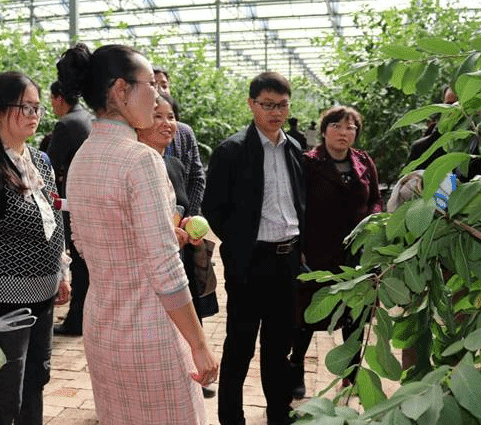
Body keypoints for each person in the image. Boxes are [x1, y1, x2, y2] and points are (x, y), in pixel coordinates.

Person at [57, 43, 218, 425]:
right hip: (151, 330)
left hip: (102, 327)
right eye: (150, 85)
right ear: (120, 90)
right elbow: (165, 268)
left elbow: (84, 245)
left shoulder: (82, 158)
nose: (158, 96)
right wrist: (199, 344)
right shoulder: (141, 159)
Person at [0, 71, 71, 425]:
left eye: (37, 107)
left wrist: (61, 272)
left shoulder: (40, 161)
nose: (34, 115)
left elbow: (54, 218)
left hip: (43, 296)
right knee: (6, 394)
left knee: (37, 379)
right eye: (25, 107)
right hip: (6, 305)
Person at [202, 71, 306, 425]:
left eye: (282, 105)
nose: (275, 112)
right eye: (267, 105)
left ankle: (278, 413)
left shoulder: (293, 148)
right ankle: (232, 418)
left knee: (279, 346)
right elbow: (214, 208)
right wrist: (240, 243)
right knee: (240, 345)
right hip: (251, 262)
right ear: (251, 104)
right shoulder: (232, 151)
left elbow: (300, 202)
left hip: (287, 260)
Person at [288, 106, 382, 398]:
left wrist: (372, 224)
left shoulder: (363, 161)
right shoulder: (308, 163)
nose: (344, 133)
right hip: (318, 250)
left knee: (355, 315)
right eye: (337, 126)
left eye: (351, 128)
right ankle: (296, 366)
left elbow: (376, 199)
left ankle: (350, 375)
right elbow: (296, 205)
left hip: (356, 253)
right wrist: (298, 247)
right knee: (307, 314)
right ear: (324, 129)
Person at [137, 92, 220, 398]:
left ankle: (194, 376)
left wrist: (186, 226)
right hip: (149, 273)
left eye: (171, 116)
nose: (167, 123)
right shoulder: (136, 166)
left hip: (178, 261)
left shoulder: (173, 164)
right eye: (157, 116)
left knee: (187, 323)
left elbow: (177, 209)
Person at [47, 79, 93, 336]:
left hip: (73, 202)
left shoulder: (66, 124)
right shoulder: (87, 117)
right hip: (90, 198)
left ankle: (76, 321)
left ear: (59, 98)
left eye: (51, 99)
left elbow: (48, 166)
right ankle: (82, 317)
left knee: (77, 264)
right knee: (86, 264)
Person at [153, 66, 206, 217]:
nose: (160, 90)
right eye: (153, 85)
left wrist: (189, 217)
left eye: (164, 85)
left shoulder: (184, 133)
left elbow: (197, 178)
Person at [407, 85, 458, 169]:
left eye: (460, 104)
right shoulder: (423, 149)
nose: (456, 110)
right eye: (450, 105)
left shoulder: (478, 143)